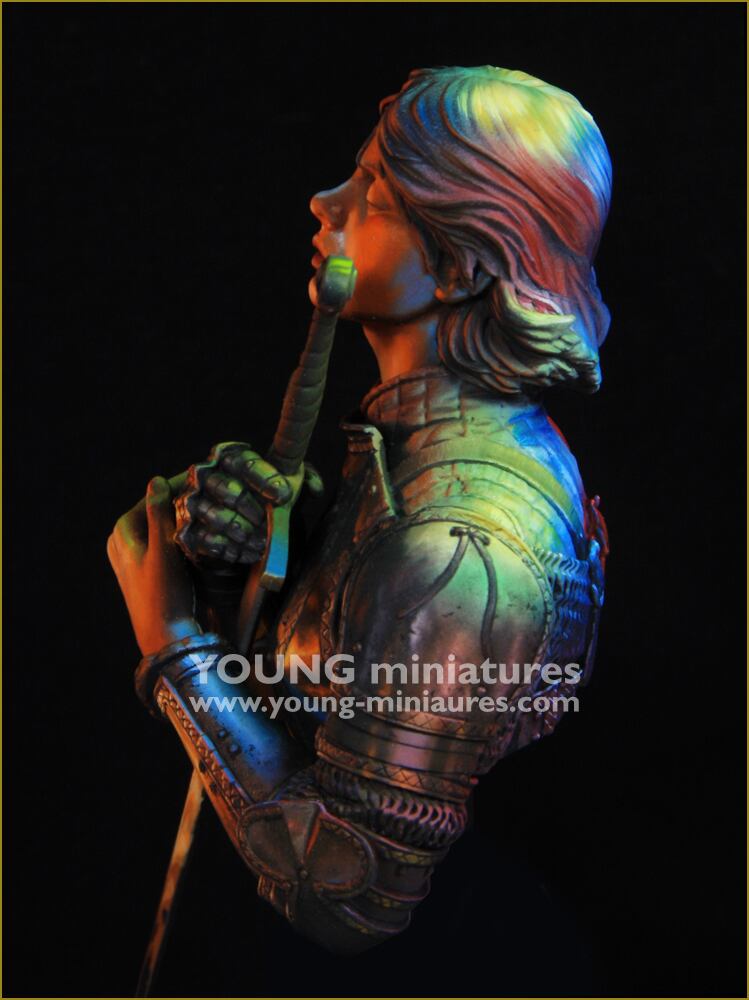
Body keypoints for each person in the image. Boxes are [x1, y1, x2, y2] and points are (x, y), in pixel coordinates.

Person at [108, 65, 611, 954]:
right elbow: (344, 666)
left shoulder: (460, 545)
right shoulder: (416, 455)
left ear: (460, 264)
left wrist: (172, 642)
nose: (324, 202)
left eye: (373, 192)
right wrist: (272, 556)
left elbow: (347, 892)